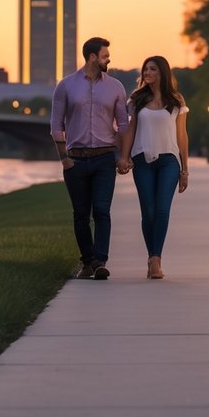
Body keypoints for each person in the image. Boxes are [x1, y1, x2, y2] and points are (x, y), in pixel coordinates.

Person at [51, 37, 129, 280]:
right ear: (93, 57)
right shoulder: (65, 86)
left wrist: (121, 155)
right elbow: (56, 125)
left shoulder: (115, 86)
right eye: (105, 55)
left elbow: (124, 124)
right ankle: (88, 262)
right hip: (76, 160)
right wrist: (64, 159)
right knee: (81, 214)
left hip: (104, 158)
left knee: (102, 211)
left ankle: (100, 261)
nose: (109, 59)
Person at [117, 55, 189, 279]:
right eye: (145, 69)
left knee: (161, 210)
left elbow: (182, 135)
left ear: (162, 73)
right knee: (148, 212)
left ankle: (156, 259)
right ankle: (151, 257)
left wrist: (184, 169)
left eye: (152, 69)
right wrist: (124, 157)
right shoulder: (137, 100)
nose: (147, 73)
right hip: (142, 161)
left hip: (169, 160)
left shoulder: (176, 101)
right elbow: (130, 130)